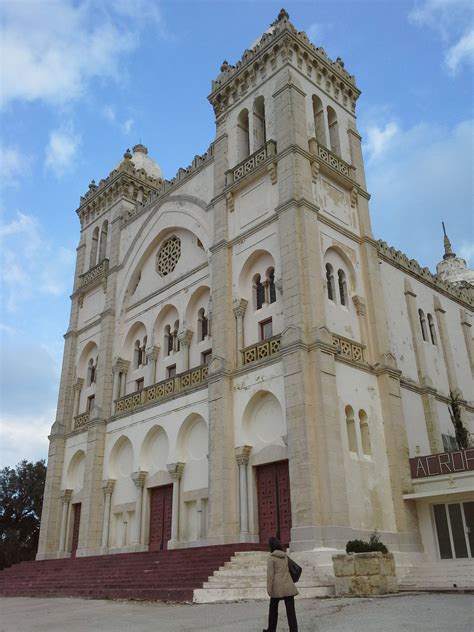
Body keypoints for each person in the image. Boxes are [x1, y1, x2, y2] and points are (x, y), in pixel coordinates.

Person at [263, 536, 298, 632]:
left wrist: (269, 589)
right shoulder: (285, 556)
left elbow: (270, 575)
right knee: (291, 611)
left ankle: (271, 629)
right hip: (288, 584)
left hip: (277, 587)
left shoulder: (271, 558)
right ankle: (294, 630)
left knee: (273, 609)